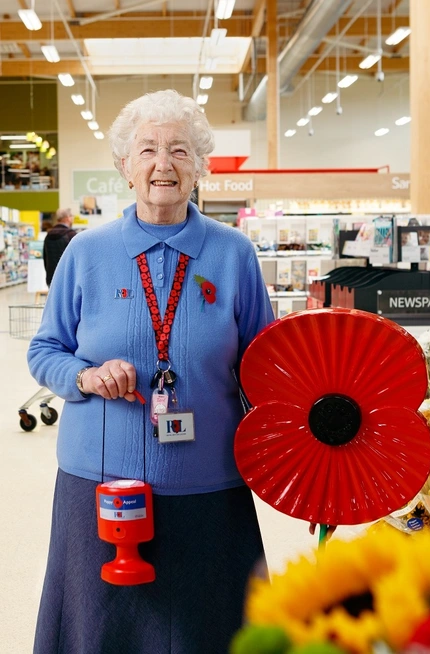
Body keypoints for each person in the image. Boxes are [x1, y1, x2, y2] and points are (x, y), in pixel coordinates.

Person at [28, 89, 275, 654]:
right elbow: (45, 351)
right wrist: (85, 378)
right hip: (99, 485)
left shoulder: (234, 254)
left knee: (212, 633)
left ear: (200, 166)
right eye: (147, 150)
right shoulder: (85, 253)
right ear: (125, 166)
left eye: (180, 150)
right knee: (99, 634)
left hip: (210, 485)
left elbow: (266, 367)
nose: (163, 164)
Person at [42, 207, 77, 286]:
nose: (72, 218)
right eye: (71, 216)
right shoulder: (71, 235)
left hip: (52, 277)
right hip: (68, 279)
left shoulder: (48, 235)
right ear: (67, 218)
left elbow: (45, 258)